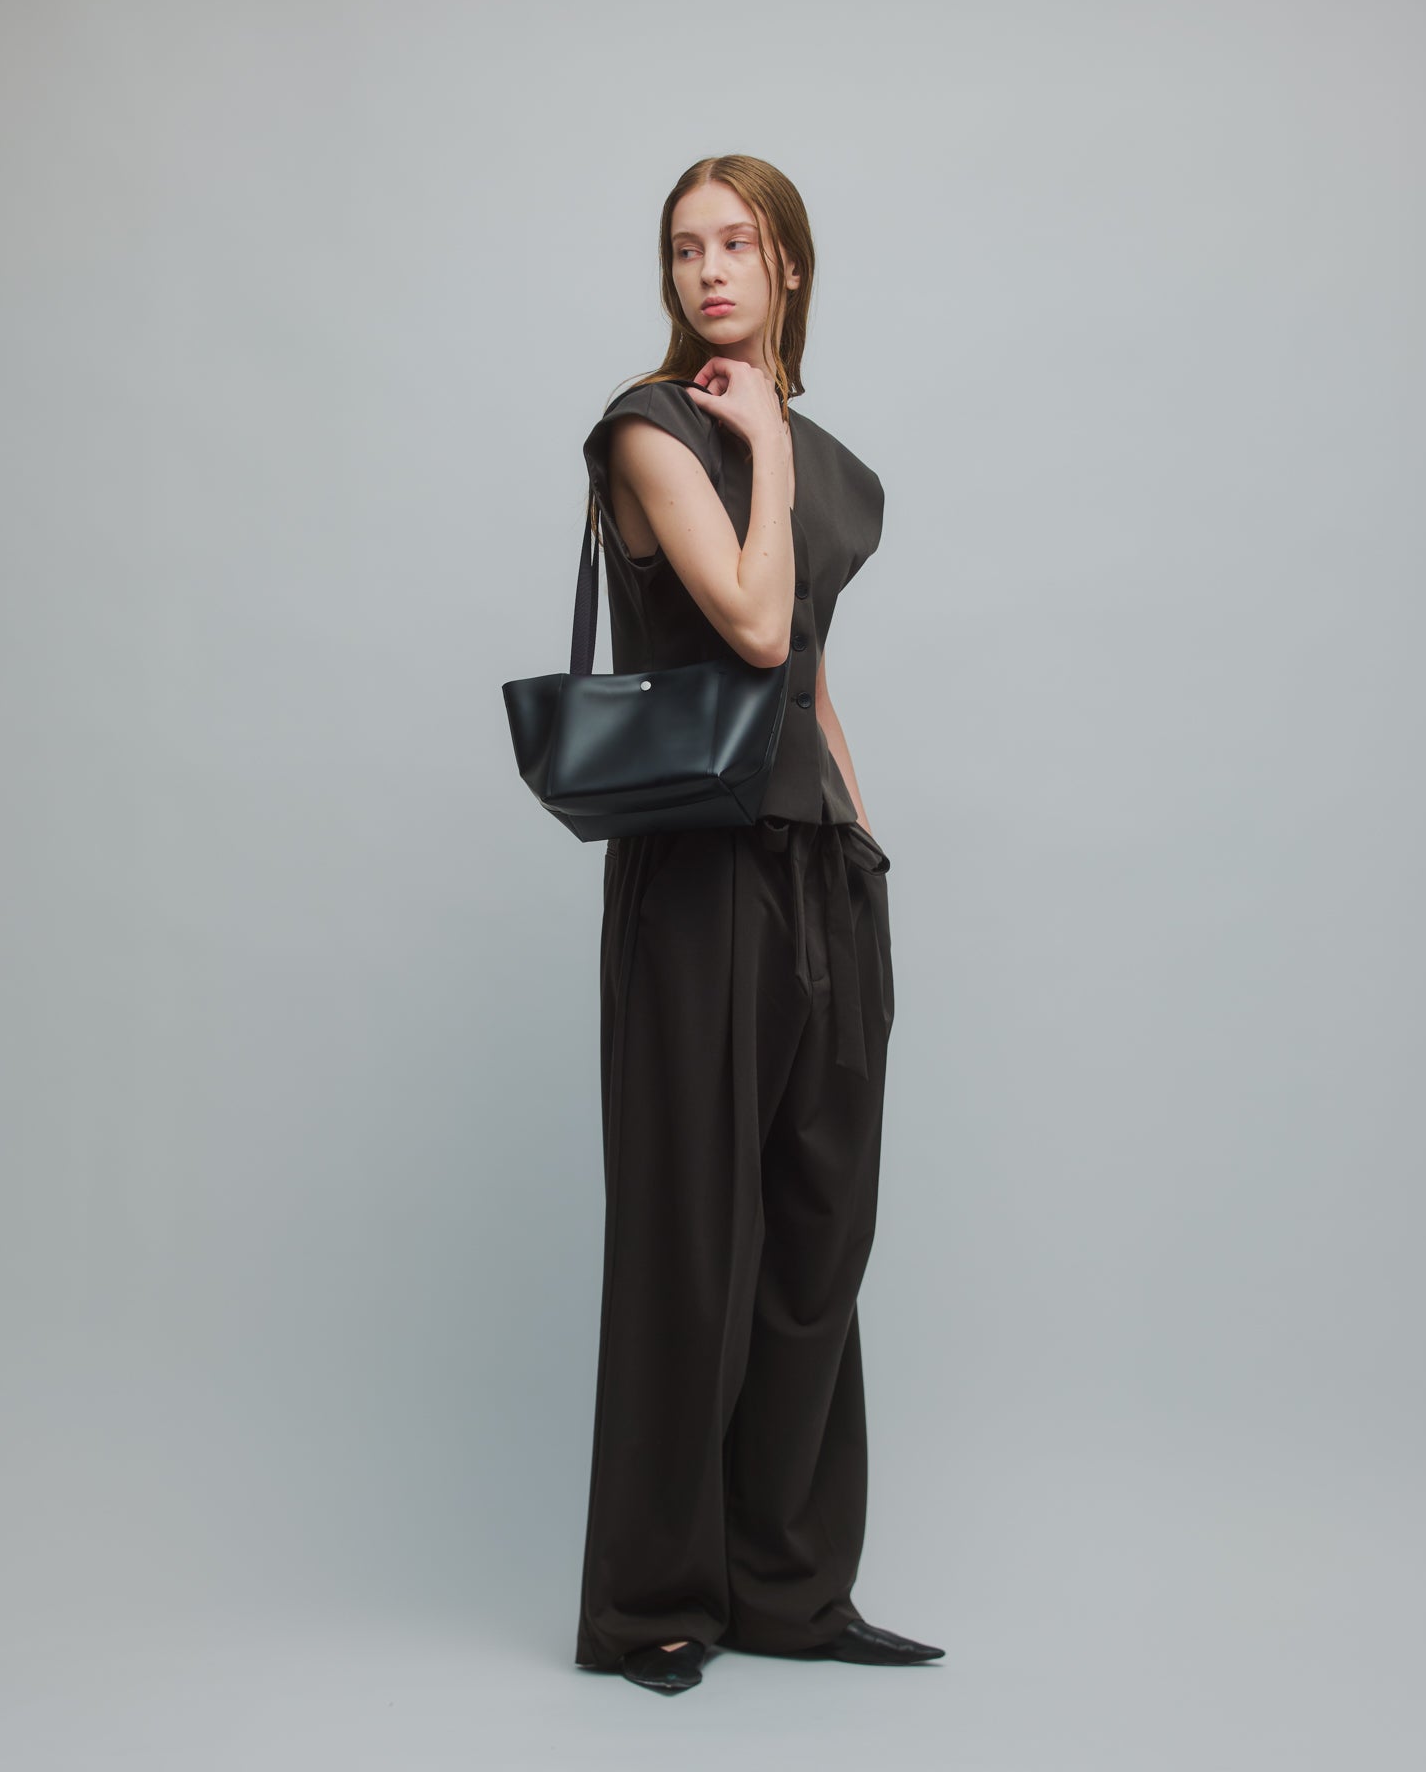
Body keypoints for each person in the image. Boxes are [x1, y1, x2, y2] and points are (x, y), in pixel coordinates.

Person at [573, 155, 943, 1696]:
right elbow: (751, 617)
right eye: (685, 248)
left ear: (788, 261)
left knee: (817, 1233)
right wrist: (765, 449)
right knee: (694, 1236)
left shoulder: (835, 464)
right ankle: (653, 1604)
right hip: (698, 877)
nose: (709, 269)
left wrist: (862, 842)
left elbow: (812, 679)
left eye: (736, 242)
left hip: (818, 873)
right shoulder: (652, 430)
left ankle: (789, 1585)